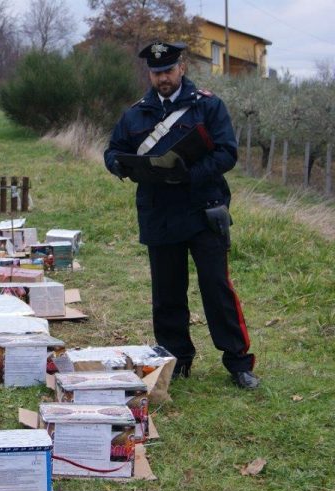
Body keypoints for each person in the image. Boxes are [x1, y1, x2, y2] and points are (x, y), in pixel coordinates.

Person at [104, 42, 259, 389]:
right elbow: (113, 150)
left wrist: (188, 173)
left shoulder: (208, 106)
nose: (163, 78)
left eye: (169, 70)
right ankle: (177, 359)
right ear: (150, 73)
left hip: (204, 207)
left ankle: (238, 362)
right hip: (159, 212)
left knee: (216, 288)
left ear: (182, 68)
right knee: (167, 291)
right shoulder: (135, 114)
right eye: (157, 72)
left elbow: (227, 154)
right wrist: (118, 164)